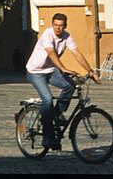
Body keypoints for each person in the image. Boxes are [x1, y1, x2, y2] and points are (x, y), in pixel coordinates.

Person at [25, 13, 99, 150]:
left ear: (65, 26)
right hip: (36, 72)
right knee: (47, 99)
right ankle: (48, 137)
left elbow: (76, 53)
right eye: (55, 25)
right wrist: (63, 68)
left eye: (61, 26)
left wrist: (90, 71)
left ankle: (56, 114)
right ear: (52, 24)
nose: (58, 28)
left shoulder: (66, 36)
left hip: (51, 70)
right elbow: (51, 53)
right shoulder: (47, 35)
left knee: (71, 85)